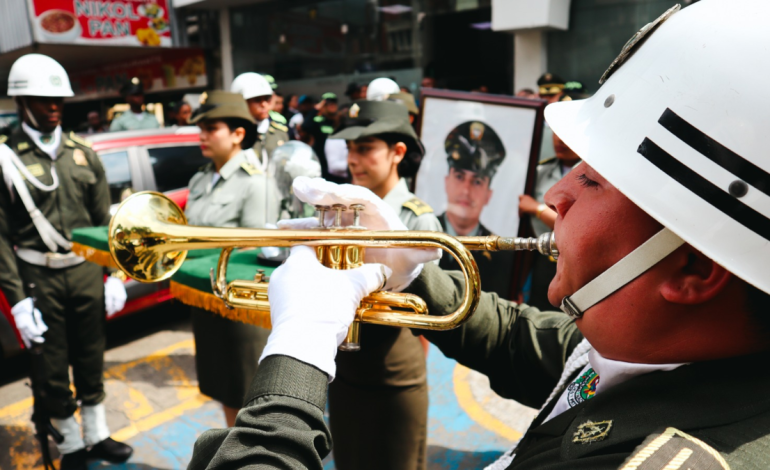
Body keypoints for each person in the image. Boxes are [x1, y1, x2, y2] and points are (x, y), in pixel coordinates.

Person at [189, 2, 770, 468]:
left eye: (593, 180)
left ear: (694, 271)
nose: (556, 196)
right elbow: (515, 335)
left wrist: (296, 355)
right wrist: (409, 267)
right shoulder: (648, 349)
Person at [0, 54, 132, 470]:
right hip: (39, 277)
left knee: (92, 357)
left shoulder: (83, 154)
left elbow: (101, 221)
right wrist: (17, 300)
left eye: (58, 98)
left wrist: (113, 273)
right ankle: (72, 445)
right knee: (53, 367)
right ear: (21, 102)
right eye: (43, 98)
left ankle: (97, 435)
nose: (54, 105)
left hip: (86, 272)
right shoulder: (7, 158)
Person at [325, 100, 441, 470]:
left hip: (395, 373)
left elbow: (428, 310)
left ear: (397, 152)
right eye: (349, 149)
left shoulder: (418, 219)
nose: (353, 159)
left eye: (365, 148)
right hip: (344, 371)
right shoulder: (343, 211)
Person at [185, 90, 280, 428]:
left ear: (239, 134)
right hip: (207, 302)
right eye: (201, 128)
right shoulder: (200, 180)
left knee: (251, 398)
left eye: (212, 128)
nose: (203, 136)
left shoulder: (256, 184)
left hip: (241, 311)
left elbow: (260, 255)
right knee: (225, 391)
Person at [518, 93, 580, 310]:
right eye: (556, 130)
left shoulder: (595, 175)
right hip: (542, 261)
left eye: (567, 130)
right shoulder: (540, 171)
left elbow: (575, 227)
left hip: (577, 264)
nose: (559, 139)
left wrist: (536, 209)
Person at [439, 121, 515, 298]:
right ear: (446, 182)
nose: (466, 191)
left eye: (477, 181)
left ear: (488, 195)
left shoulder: (503, 255)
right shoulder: (421, 236)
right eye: (459, 176)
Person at [230, 73, 290, 173]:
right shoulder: (232, 135)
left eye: (267, 99)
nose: (264, 104)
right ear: (240, 102)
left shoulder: (280, 132)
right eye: (257, 100)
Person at [301, 92, 343, 182]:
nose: (331, 106)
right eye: (327, 104)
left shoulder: (340, 121)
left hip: (339, 163)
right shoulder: (318, 121)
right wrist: (316, 109)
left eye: (333, 103)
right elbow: (305, 126)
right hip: (322, 162)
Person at [536, 73, 566, 161]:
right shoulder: (534, 121)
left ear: (562, 94)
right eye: (543, 96)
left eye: (552, 96)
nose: (547, 99)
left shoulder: (568, 121)